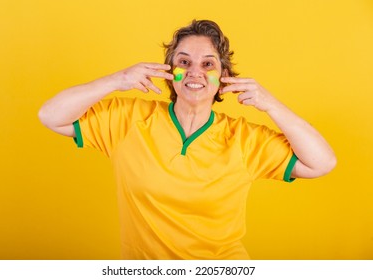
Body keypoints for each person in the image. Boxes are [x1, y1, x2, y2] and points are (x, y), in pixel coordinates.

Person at [38, 19, 336, 259]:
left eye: (208, 64)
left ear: (224, 78)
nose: (195, 72)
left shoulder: (244, 138)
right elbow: (51, 115)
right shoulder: (127, 120)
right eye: (184, 62)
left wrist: (271, 104)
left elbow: (322, 163)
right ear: (170, 73)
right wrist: (118, 80)